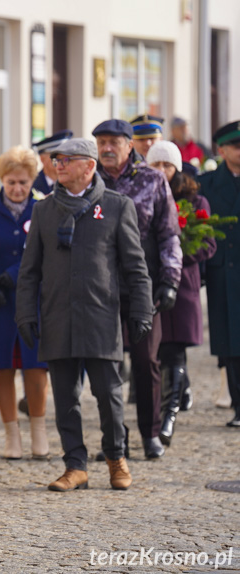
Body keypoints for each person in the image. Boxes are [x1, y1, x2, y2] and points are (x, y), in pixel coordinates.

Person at [16, 138, 153, 492]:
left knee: (109, 395)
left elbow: (136, 268)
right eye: (56, 159)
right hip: (58, 316)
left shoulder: (117, 206)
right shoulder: (44, 210)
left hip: (101, 317)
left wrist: (141, 309)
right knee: (65, 397)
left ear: (89, 166)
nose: (57, 164)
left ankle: (115, 458)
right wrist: (25, 316)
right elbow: (29, 271)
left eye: (66, 159)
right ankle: (74, 465)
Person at [93, 119, 182, 460]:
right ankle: (115, 438)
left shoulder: (153, 179)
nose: (107, 148)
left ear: (130, 146)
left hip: (144, 285)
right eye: (101, 142)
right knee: (106, 366)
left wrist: (170, 281)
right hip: (99, 289)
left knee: (146, 362)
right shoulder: (90, 180)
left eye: (114, 142)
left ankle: (151, 433)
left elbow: (168, 234)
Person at [0, 146, 50, 460]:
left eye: (23, 182)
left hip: (35, 301)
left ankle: (39, 432)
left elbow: (48, 252)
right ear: (1, 181)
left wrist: (15, 274)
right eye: (11, 182)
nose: (17, 189)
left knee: (35, 368)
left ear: (32, 181)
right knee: (3, 367)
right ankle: (12, 437)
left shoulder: (44, 209)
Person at [146, 141, 217, 445]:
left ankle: (168, 416)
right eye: (156, 165)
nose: (162, 171)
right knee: (156, 352)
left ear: (177, 168)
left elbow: (207, 244)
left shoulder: (195, 199)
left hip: (181, 286)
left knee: (174, 350)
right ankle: (169, 398)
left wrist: (174, 254)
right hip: (148, 284)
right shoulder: (141, 197)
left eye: (167, 165)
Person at [199, 120, 240, 427]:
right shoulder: (207, 184)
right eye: (236, 146)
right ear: (223, 149)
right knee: (229, 341)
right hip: (223, 271)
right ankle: (238, 406)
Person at [32, 130, 73, 195]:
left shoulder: (73, 182)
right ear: (42, 159)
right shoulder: (31, 184)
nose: (62, 161)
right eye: (56, 157)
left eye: (65, 157)